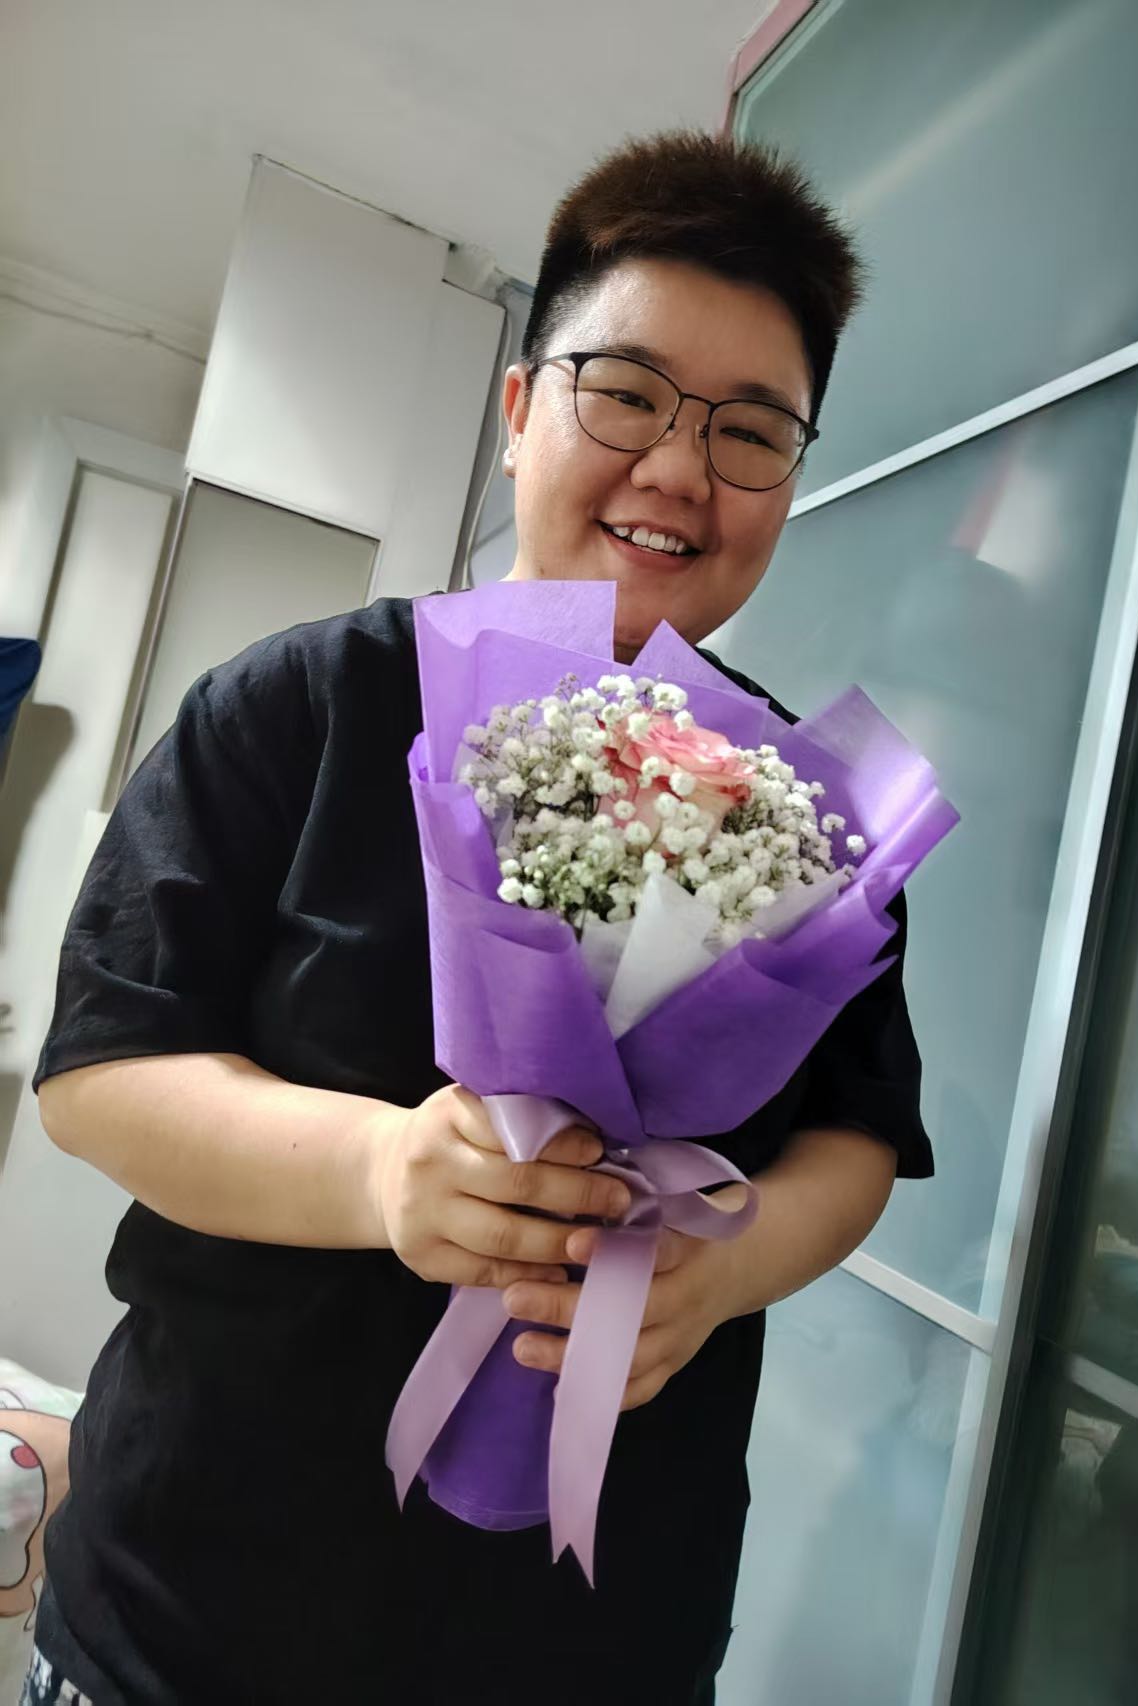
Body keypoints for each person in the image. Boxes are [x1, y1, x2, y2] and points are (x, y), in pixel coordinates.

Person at [27, 130, 934, 1706]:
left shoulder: (804, 817)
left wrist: (723, 1270)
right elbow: (101, 1074)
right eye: (628, 391)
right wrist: (381, 1170)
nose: (681, 469)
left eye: (750, 430)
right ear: (519, 411)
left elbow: (857, 1139)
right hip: (191, 1621)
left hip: (600, 1641)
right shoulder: (297, 707)